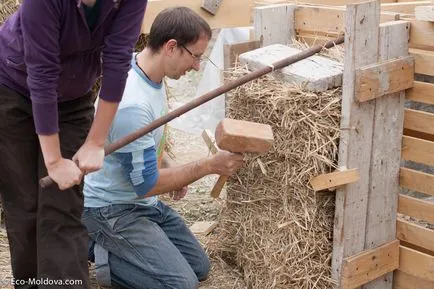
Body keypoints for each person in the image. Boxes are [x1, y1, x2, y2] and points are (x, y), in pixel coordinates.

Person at [83, 7, 245, 289]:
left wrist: (167, 162)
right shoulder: (132, 103)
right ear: (171, 47)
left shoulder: (146, 72)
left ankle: (128, 250)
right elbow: (146, 184)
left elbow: (142, 142)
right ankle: (97, 250)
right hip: (111, 209)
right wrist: (208, 166)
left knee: (200, 267)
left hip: (140, 203)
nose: (196, 67)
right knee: (181, 285)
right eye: (195, 56)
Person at [0, 0, 148, 288]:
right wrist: (53, 162)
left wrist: (95, 141)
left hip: (73, 95)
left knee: (63, 204)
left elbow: (117, 62)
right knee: (25, 203)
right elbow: (41, 74)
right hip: (13, 86)